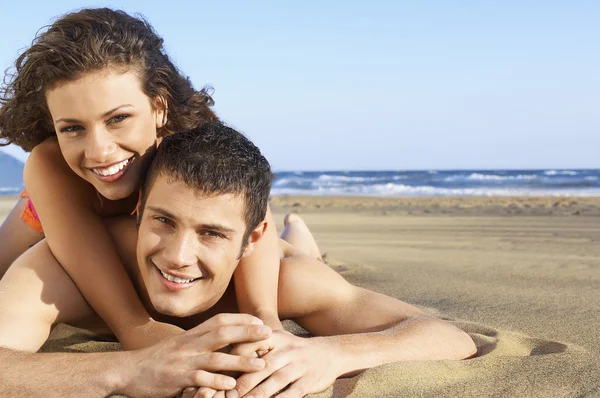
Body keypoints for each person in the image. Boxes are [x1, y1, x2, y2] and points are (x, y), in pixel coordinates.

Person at [0, 122, 477, 397]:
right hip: (43, 214)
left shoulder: (283, 280)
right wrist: (128, 369)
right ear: (139, 208)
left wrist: (330, 353)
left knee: (305, 258)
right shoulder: (58, 271)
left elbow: (448, 336)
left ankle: (296, 232)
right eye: (163, 221)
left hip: (278, 251)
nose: (178, 257)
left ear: (251, 239)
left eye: (211, 233)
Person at [0, 8, 283, 350]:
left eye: (118, 118)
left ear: (159, 107)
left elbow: (253, 214)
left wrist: (264, 319)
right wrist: (138, 328)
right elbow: (126, 319)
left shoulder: (193, 139)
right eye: (72, 127)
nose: (100, 151)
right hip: (55, 207)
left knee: (275, 246)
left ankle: (298, 233)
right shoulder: (51, 164)